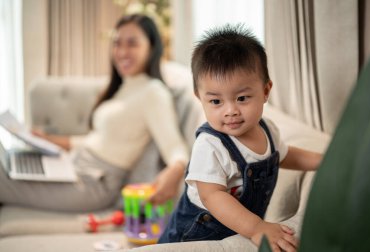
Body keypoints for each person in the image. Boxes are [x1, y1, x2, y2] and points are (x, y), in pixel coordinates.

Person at [158, 24, 322, 252]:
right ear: (200, 98)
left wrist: (324, 160)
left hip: (238, 229)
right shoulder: (210, 145)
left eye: (242, 98)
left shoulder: (268, 130)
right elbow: (212, 196)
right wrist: (257, 228)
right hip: (194, 235)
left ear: (265, 91)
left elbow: (284, 155)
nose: (230, 111)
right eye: (216, 101)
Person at [0, 14, 189, 212]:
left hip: (93, 184)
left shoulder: (153, 92)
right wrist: (48, 140)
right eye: (117, 43)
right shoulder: (124, 86)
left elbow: (175, 147)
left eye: (132, 43)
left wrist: (175, 172)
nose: (122, 51)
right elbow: (97, 140)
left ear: (151, 47)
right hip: (73, 165)